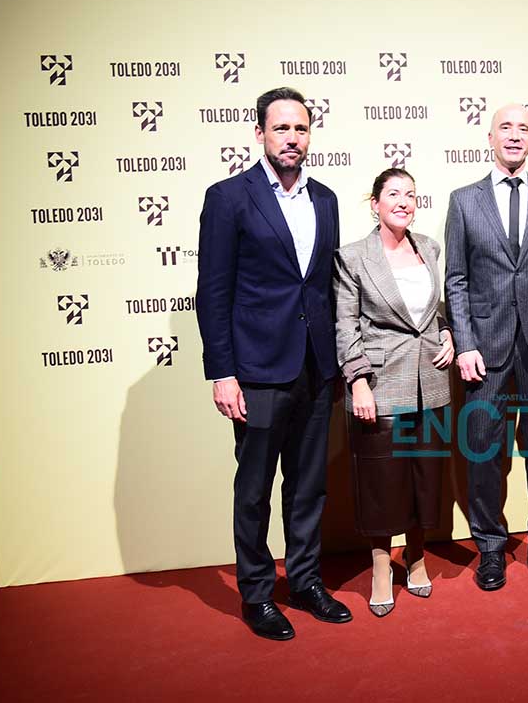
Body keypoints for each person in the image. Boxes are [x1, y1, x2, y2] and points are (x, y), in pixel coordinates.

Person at [195, 86, 352, 641]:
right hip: (257, 369)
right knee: (255, 489)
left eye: (301, 128)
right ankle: (258, 593)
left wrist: (339, 364)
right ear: (259, 133)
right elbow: (213, 291)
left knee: (309, 486)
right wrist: (222, 372)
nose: (292, 138)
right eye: (281, 128)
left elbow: (326, 288)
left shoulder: (326, 199)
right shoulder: (228, 198)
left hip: (316, 368)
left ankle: (305, 581)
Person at [444, 103, 528, 592]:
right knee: (484, 453)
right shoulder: (464, 201)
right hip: (484, 349)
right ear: (490, 137)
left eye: (524, 128)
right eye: (506, 127)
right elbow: (456, 279)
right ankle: (490, 548)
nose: (515, 135)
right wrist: (464, 343)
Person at [333, 168, 455, 617]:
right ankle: (382, 565)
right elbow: (345, 324)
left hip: (432, 381)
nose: (404, 202)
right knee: (382, 483)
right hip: (380, 384)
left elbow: (433, 310)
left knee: (426, 477)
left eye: (411, 194)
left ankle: (417, 557)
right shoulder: (353, 257)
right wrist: (358, 381)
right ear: (376, 203)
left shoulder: (429, 247)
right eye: (394, 194)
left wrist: (448, 333)